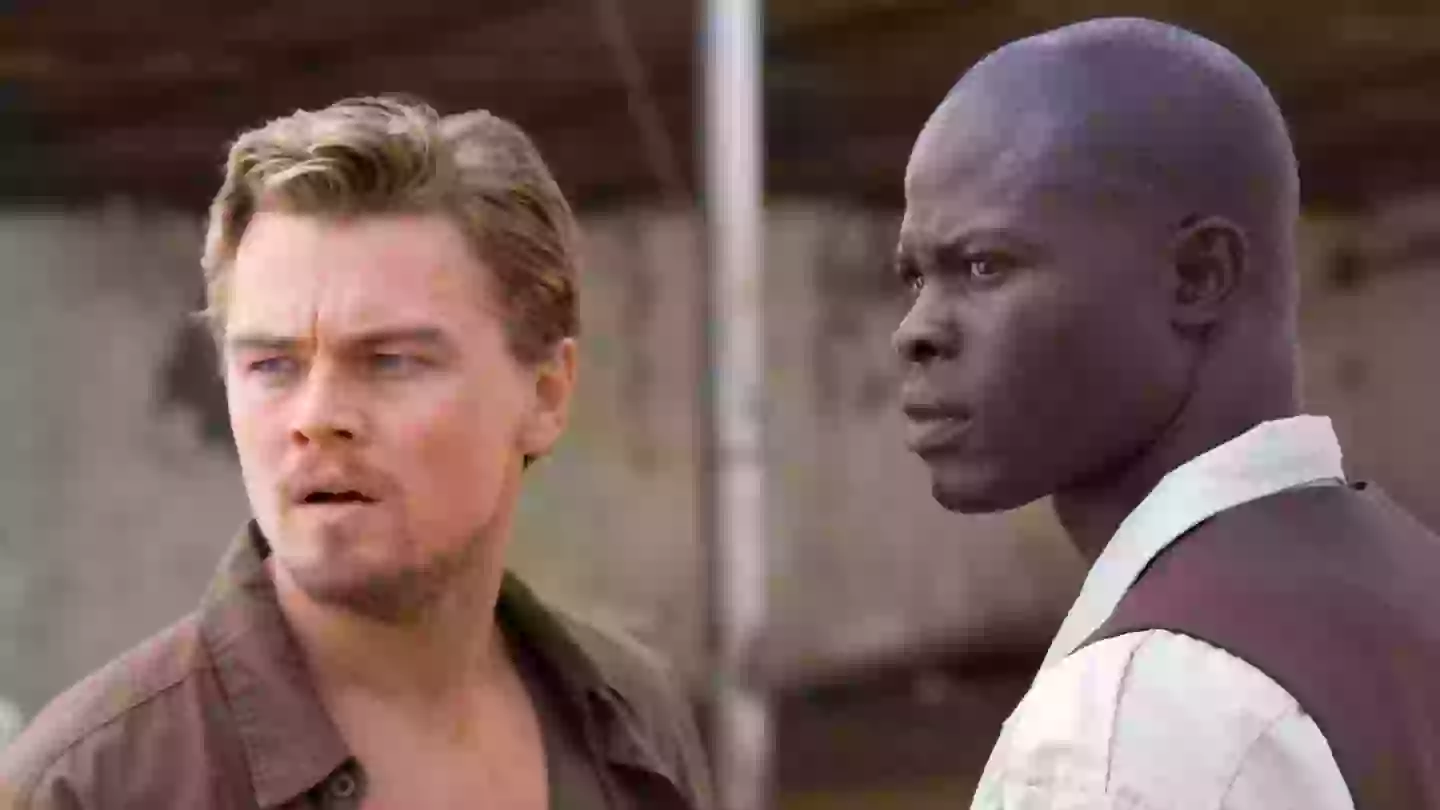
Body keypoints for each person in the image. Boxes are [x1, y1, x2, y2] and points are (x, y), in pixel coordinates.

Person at [0, 96, 713, 810]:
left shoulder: (633, 722)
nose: (316, 418)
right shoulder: (92, 787)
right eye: (272, 365)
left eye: (391, 361)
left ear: (547, 395)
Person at [892, 17, 1440, 810]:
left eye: (982, 265)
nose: (914, 331)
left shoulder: (1139, 714)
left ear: (1197, 276)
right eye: (914, 277)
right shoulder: (1408, 575)